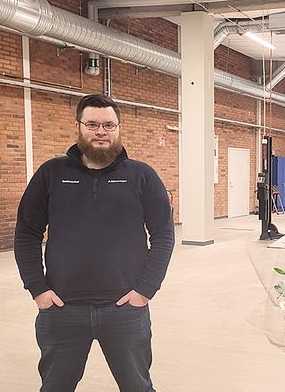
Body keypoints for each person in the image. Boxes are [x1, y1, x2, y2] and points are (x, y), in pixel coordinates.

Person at [14, 94, 175, 392]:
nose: (101, 131)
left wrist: (145, 291)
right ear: (78, 126)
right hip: (62, 310)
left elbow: (164, 235)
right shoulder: (52, 173)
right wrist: (38, 289)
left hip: (125, 310)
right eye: (92, 124)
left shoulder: (141, 176)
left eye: (108, 125)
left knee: (138, 387)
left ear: (118, 128)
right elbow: (26, 233)